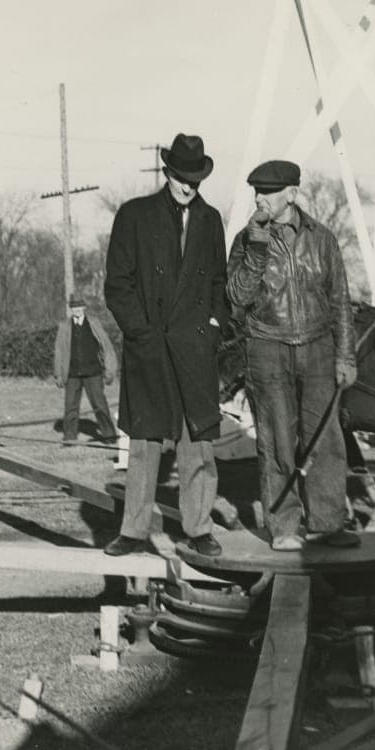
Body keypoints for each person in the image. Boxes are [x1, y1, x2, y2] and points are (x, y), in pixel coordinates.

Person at [102, 133, 228, 558]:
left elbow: (218, 284)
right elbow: (117, 285)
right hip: (150, 346)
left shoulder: (210, 221)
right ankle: (133, 531)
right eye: (181, 177)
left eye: (195, 179)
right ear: (167, 172)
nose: (188, 186)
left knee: (199, 446)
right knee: (144, 444)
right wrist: (142, 334)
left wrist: (212, 327)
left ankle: (198, 528)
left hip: (194, 349)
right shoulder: (134, 216)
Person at [227, 159, 359, 551]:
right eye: (256, 192)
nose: (259, 199)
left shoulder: (323, 239)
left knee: (327, 440)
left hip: (319, 349)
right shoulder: (246, 240)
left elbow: (341, 302)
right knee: (276, 440)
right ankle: (284, 527)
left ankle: (328, 523)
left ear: (291, 194)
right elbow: (236, 299)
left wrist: (345, 356)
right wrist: (255, 252)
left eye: (266, 191)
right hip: (266, 348)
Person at [53, 296, 118, 445]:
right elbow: (59, 351)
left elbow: (106, 347)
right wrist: (58, 374)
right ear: (71, 309)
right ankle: (69, 437)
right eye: (74, 307)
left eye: (79, 307)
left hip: (93, 372)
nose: (77, 310)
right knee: (70, 407)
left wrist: (110, 370)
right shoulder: (64, 327)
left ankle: (109, 436)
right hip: (72, 374)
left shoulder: (94, 323)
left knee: (100, 405)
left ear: (84, 308)